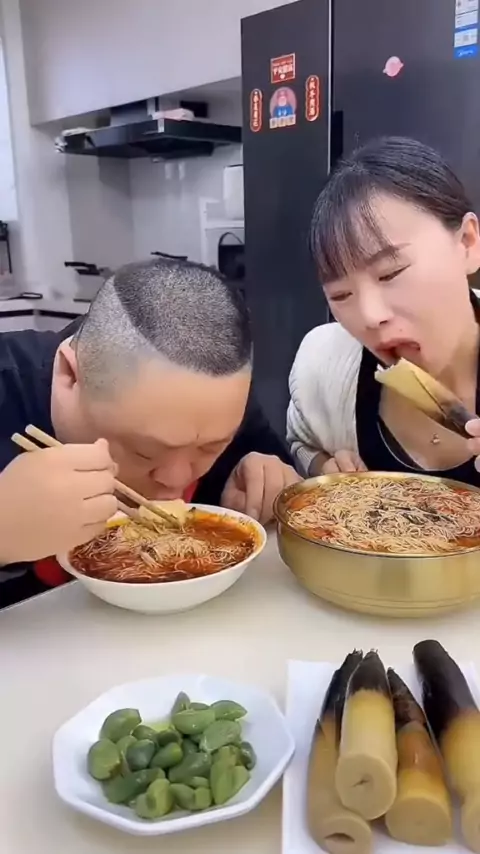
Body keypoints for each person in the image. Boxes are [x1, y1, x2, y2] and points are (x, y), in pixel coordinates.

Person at [0, 258, 298, 606]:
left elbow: (272, 487)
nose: (176, 481)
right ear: (70, 374)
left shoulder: (219, 402)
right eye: (144, 452)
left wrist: (264, 483)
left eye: (210, 448)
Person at [287, 136, 480, 479]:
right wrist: (323, 468)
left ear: (467, 242)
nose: (370, 316)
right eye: (341, 295)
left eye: (391, 273)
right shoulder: (321, 367)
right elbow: (303, 442)